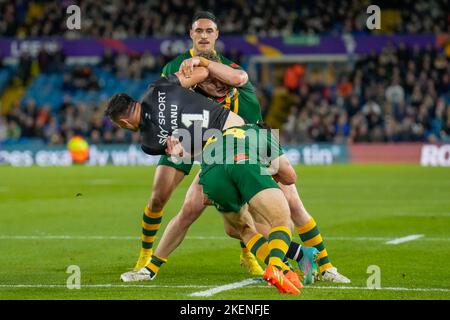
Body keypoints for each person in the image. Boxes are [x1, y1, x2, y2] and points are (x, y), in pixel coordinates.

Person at [105, 68, 319, 294]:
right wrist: (199, 63)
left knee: (243, 221)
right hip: (230, 138)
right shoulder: (157, 88)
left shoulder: (149, 142)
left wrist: (178, 153)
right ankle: (297, 256)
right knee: (233, 223)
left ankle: (285, 264)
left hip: (223, 150)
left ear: (124, 122)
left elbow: (184, 154)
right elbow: (201, 74)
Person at [132, 11, 265, 277]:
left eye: (209, 31)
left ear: (216, 34)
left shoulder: (227, 66)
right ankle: (145, 254)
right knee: (158, 196)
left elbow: (241, 96)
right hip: (183, 135)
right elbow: (161, 102)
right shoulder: (173, 67)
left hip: (218, 138)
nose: (204, 35)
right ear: (191, 34)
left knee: (244, 203)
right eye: (198, 31)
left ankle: (249, 253)